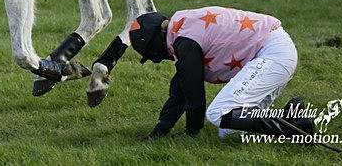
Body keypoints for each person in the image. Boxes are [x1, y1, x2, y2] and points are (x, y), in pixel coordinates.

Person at [129, 8, 314, 140]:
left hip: (272, 53)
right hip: (276, 50)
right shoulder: (183, 28)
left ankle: (297, 130)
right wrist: (160, 130)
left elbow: (193, 93)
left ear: (155, 44)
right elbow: (180, 88)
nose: (159, 59)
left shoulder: (185, 41)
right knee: (229, 132)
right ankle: (289, 116)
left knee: (219, 113)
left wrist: (192, 131)